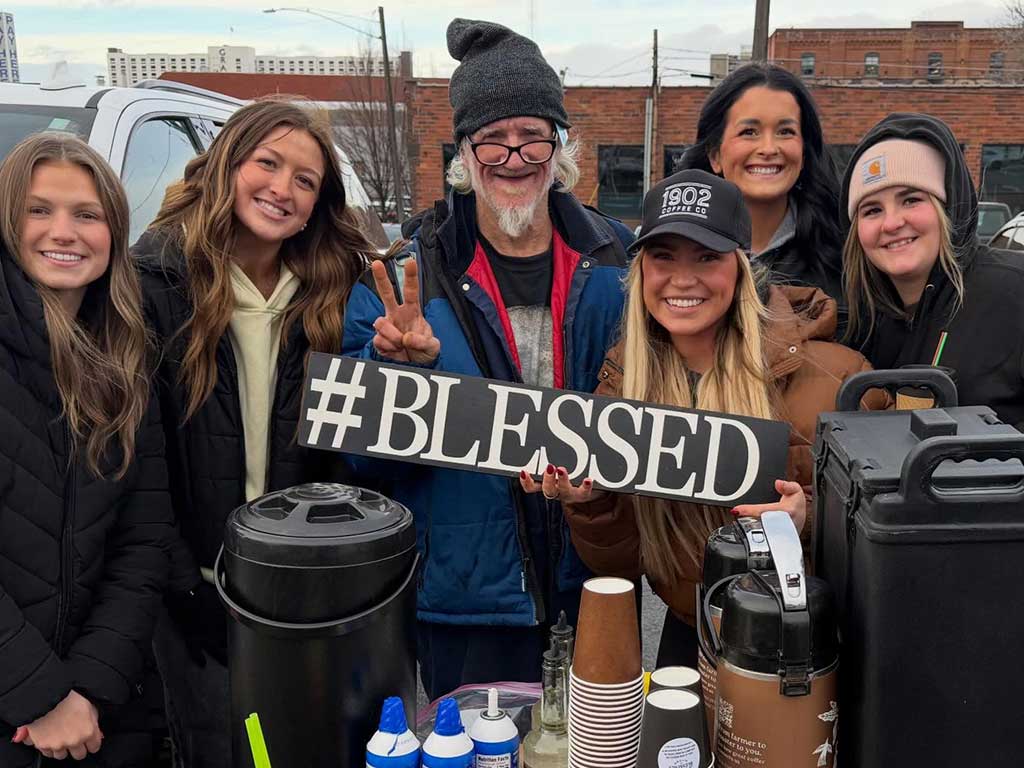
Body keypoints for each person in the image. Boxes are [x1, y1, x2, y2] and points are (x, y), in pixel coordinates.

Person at [343, 18, 633, 699]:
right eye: (492, 141)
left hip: (592, 578)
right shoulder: (404, 280)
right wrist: (400, 375)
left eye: (531, 137)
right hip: (464, 597)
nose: (512, 157)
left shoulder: (622, 261)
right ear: (464, 155)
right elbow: (361, 457)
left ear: (559, 147)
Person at [520, 169, 884, 667]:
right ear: (641, 271)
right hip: (690, 635)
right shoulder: (620, 387)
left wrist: (807, 519)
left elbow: (886, 543)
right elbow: (621, 562)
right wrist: (592, 502)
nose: (683, 279)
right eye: (663, 257)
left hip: (810, 643)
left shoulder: (839, 379)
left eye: (707, 257)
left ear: (740, 270)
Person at [133, 98, 371, 767]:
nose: (283, 189)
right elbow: (140, 467)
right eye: (268, 163)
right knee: (220, 751)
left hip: (302, 592)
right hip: (196, 593)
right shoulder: (154, 282)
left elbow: (351, 458)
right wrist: (188, 589)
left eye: (306, 180)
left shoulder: (333, 290)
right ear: (227, 165)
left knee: (306, 749)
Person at [0, 133, 173, 766]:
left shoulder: (127, 357)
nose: (64, 232)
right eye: (39, 210)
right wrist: (39, 696)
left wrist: (89, 690)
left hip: (99, 715)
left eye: (87, 214)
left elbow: (144, 538)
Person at [841, 112, 1024, 429]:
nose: (892, 223)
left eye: (911, 200)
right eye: (872, 210)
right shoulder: (861, 320)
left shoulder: (1013, 292)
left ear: (948, 206)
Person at [676, 63, 845, 309]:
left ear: (804, 153)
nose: (768, 148)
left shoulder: (844, 257)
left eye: (785, 131)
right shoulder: (669, 251)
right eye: (749, 132)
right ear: (715, 155)